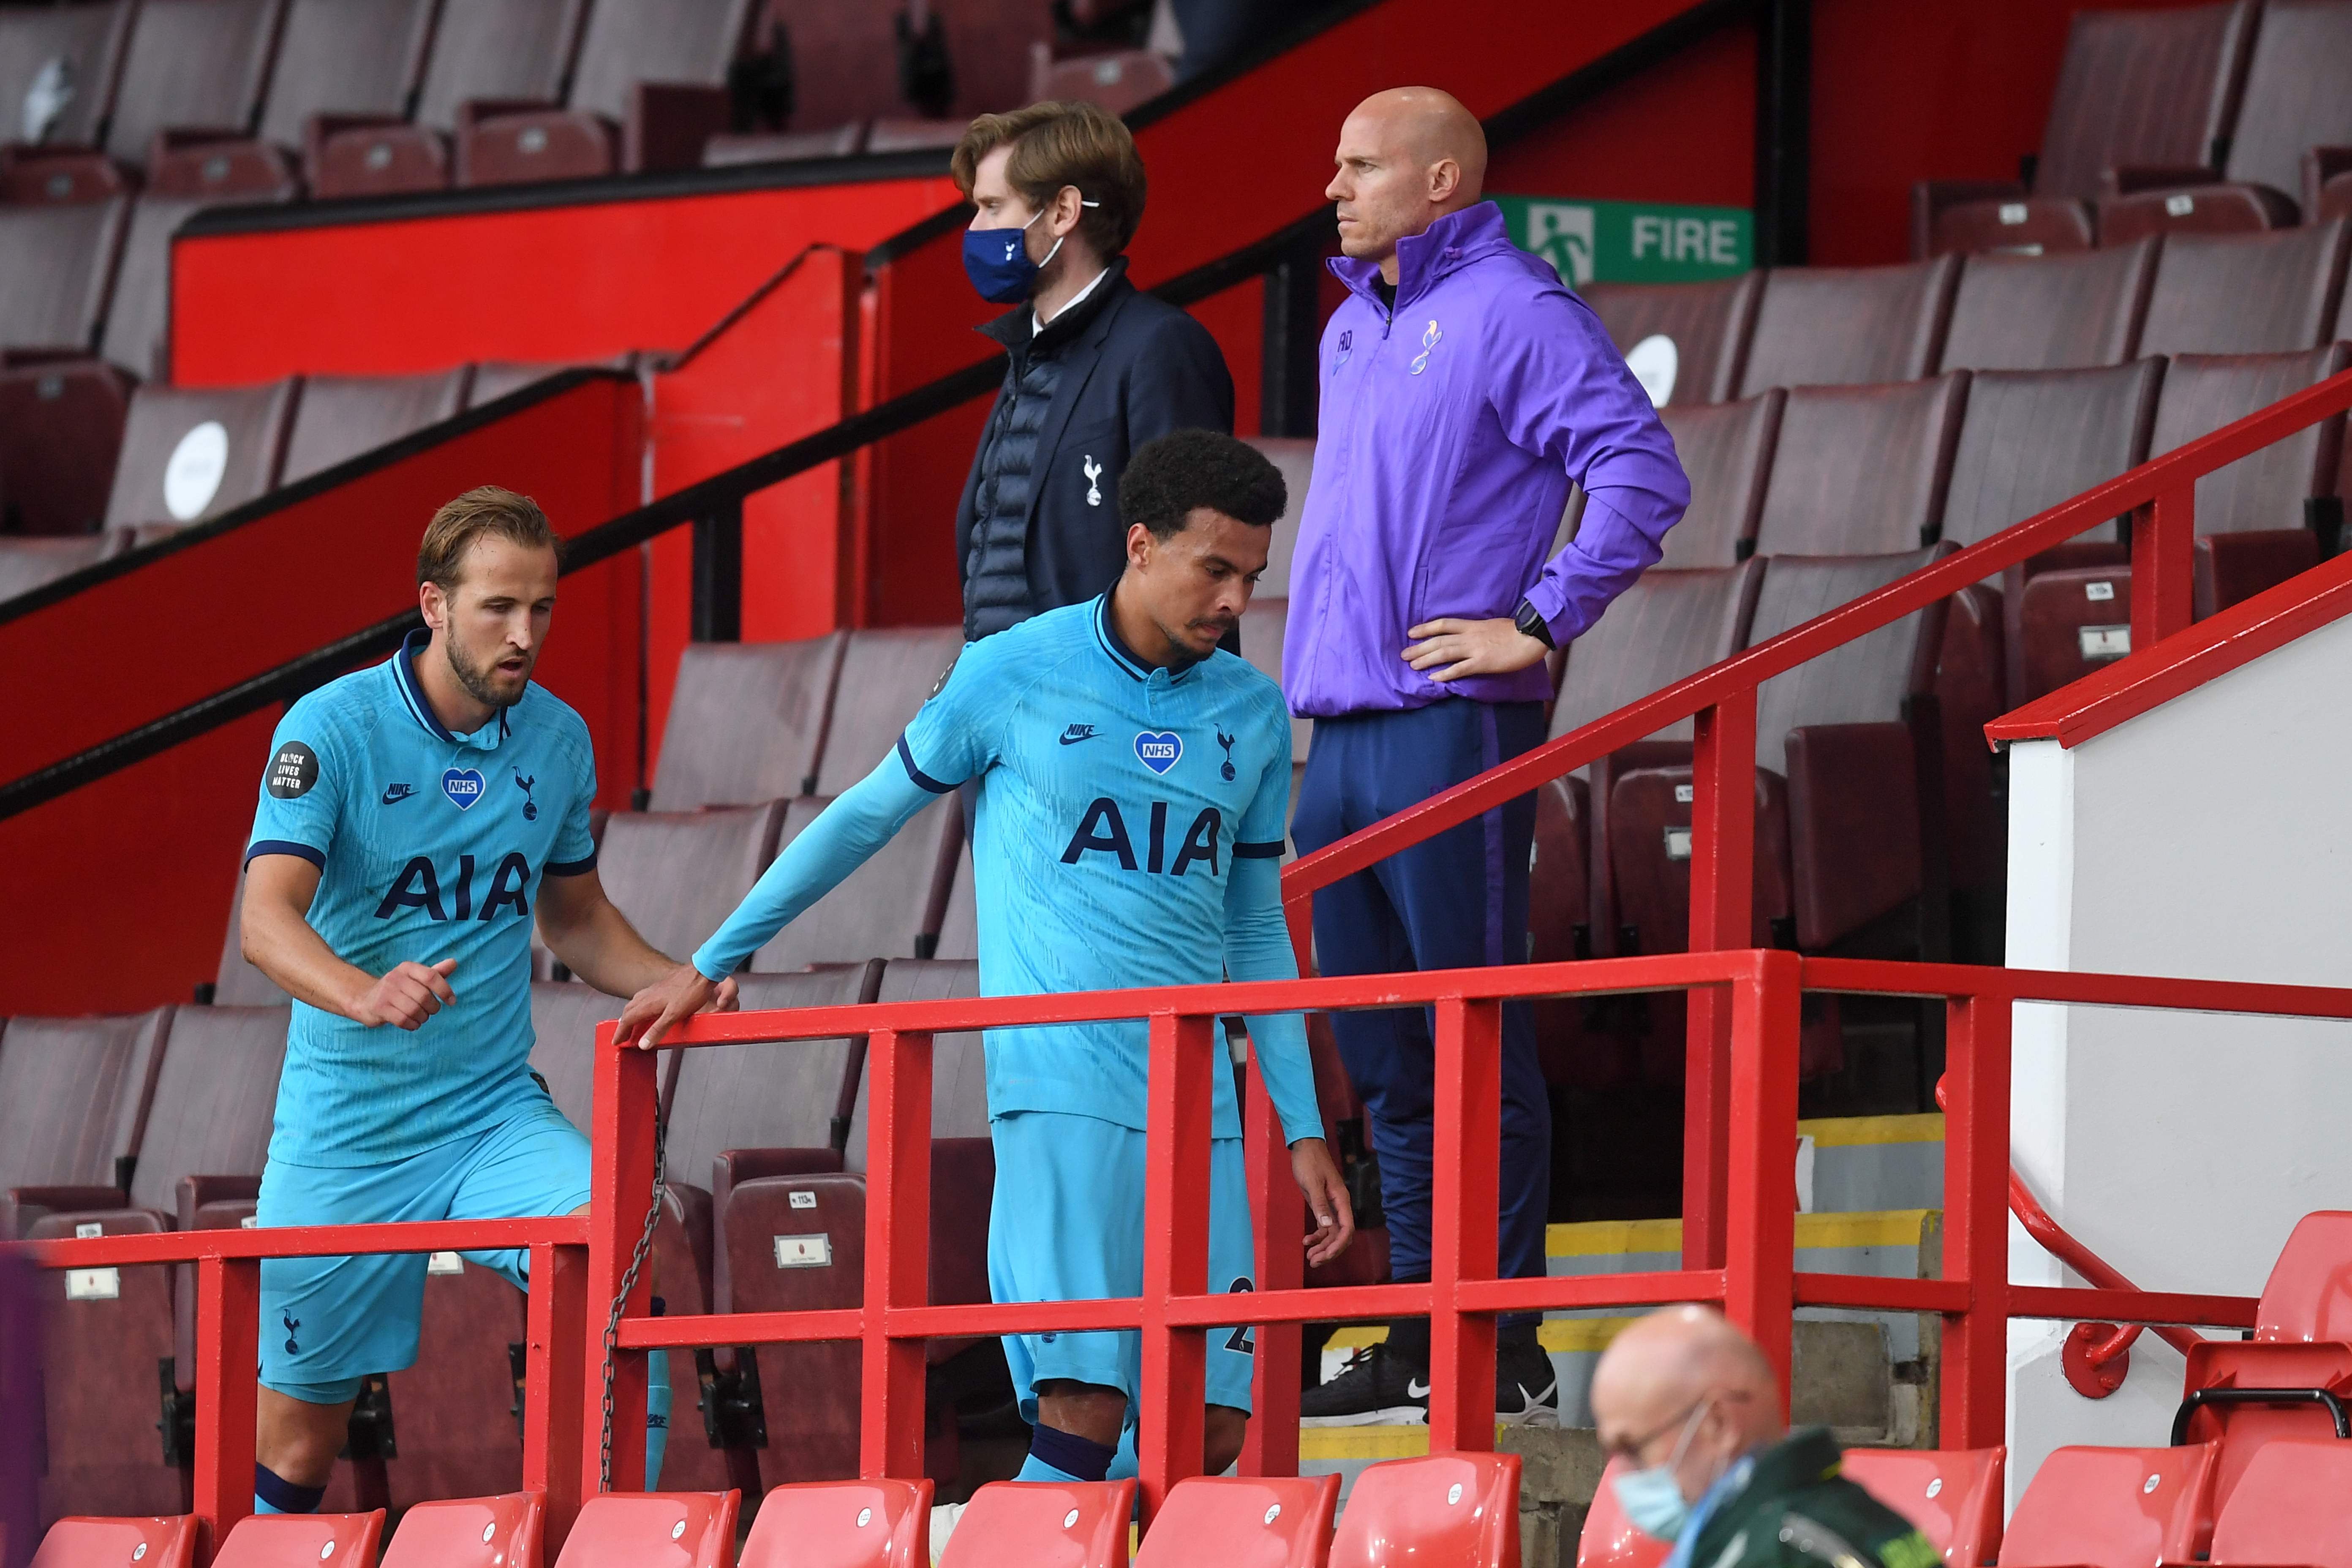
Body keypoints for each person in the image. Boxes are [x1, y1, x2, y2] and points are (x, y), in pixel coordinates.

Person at [619, 430, 1353, 1485]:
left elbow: (1253, 929)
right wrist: (712, 956)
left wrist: (1300, 1123)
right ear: (1139, 545)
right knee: (1081, 1409)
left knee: (1210, 1433)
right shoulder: (1013, 672)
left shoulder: (1247, 710)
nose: (1236, 599)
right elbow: (866, 817)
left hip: (1205, 1102)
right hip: (1061, 1089)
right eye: (1215, 568)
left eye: (1252, 575)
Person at [1288, 87, 1690, 1428]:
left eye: (1360, 165)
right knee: (1387, 1057)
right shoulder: (1351, 325)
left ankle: (1499, 1335)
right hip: (1334, 736)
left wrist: (1537, 621)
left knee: (1466, 1036)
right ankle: (1419, 1320)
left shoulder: (1516, 307)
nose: (1332, 186)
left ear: (1442, 178)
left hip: (1446, 730)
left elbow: (1638, 468)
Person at [237, 487, 738, 1514]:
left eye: (542, 609)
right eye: (497, 608)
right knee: (299, 1436)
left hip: (488, 1115)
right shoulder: (330, 729)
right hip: (347, 1132)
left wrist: (675, 978)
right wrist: (364, 991)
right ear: (432, 604)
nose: (523, 636)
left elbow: (576, 921)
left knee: (619, 1257)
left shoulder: (556, 741)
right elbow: (265, 919)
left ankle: (602, 1540)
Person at [951, 100, 1235, 647]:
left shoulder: (1161, 347)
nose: (975, 229)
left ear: (1062, 212)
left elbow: (1200, 564)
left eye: (991, 206)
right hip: (1002, 702)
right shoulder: (1027, 352)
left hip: (1105, 715)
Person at [1591, 1307, 1940, 1568]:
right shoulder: (1838, 1516)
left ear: (1718, 1423)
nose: (1621, 1474)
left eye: (1633, 1447)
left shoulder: (1784, 1550)